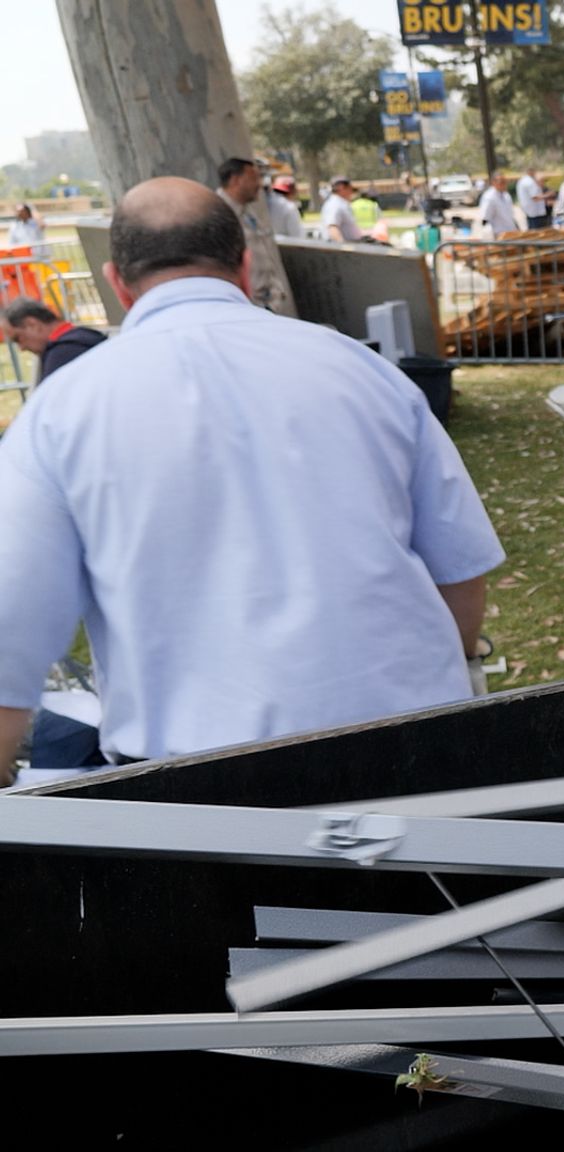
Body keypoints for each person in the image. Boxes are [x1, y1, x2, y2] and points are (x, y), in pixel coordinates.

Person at [0, 177, 502, 773]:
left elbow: (13, 630)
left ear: (116, 282)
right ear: (243, 267)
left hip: (201, 778)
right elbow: (458, 565)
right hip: (411, 737)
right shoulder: (362, 369)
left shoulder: (60, 412)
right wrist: (458, 668)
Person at [215, 157, 297, 316]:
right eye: (254, 178)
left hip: (267, 304)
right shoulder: (216, 213)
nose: (259, 184)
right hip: (243, 307)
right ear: (235, 180)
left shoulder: (248, 212)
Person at [1, 298, 105, 383]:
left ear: (32, 324)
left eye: (18, 338)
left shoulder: (61, 355)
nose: (21, 348)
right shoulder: (89, 336)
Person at [320, 176, 366, 243]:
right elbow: (333, 228)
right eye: (350, 189)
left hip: (351, 244)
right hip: (341, 246)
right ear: (341, 187)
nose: (351, 192)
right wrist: (343, 247)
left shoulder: (340, 203)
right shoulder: (335, 204)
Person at [478, 171, 520, 237]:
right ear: (493, 183)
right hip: (499, 234)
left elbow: (510, 215)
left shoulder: (506, 195)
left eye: (505, 182)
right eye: (502, 182)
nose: (505, 184)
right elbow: (485, 219)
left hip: (510, 232)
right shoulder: (489, 197)